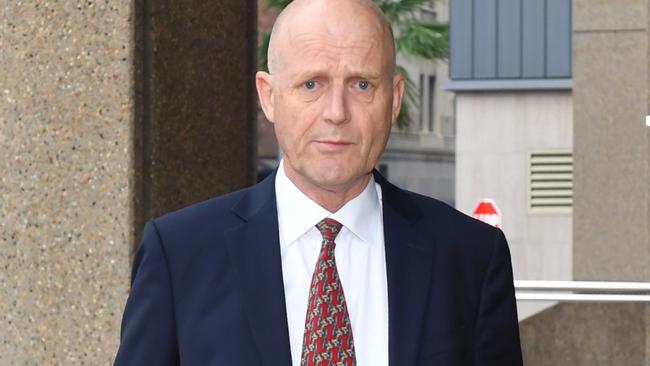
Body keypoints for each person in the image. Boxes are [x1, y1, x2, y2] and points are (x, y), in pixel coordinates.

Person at [113, 0, 523, 365]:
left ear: (394, 99)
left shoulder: (470, 257)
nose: (336, 112)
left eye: (362, 84)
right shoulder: (180, 255)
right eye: (312, 84)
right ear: (269, 96)